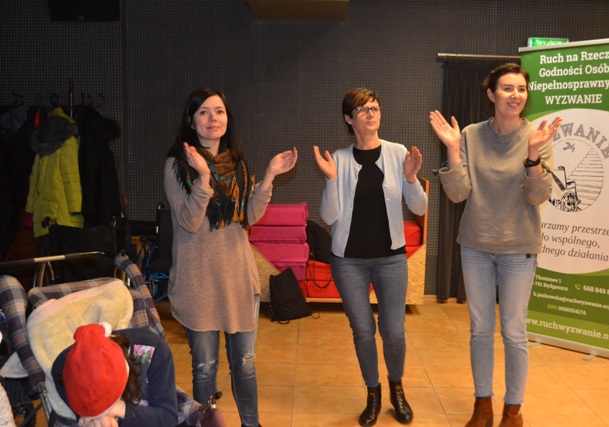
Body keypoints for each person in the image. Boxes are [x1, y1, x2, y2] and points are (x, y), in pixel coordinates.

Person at [429, 63, 562, 427]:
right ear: (491, 94)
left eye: (521, 89)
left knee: (514, 333)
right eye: (507, 88)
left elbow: (538, 196)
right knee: (480, 330)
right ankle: (483, 405)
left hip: (519, 248)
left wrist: (533, 157)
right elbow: (458, 193)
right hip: (476, 246)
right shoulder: (471, 135)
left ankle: (513, 410)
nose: (515, 95)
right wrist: (453, 150)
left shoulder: (536, 136)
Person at [165, 88, 297, 427]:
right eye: (204, 112)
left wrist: (268, 177)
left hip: (238, 278)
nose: (213, 118)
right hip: (198, 283)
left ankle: (252, 424)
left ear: (228, 118)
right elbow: (190, 222)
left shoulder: (238, 164)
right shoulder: (177, 165)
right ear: (191, 120)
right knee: (205, 368)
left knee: (245, 365)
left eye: (219, 111)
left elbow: (249, 216)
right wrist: (204, 178)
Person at [313, 88, 427, 426]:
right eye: (363, 110)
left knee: (393, 331)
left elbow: (419, 207)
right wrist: (331, 180)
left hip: (390, 259)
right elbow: (329, 217)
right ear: (349, 119)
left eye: (375, 108)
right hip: (348, 261)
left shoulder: (397, 153)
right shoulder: (339, 159)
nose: (371, 114)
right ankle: (373, 392)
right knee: (363, 330)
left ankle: (396, 388)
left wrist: (411, 179)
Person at [52, 323, 178, 427]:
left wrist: (118, 409)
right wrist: (98, 419)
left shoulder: (156, 351)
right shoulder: (62, 371)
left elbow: (168, 418)